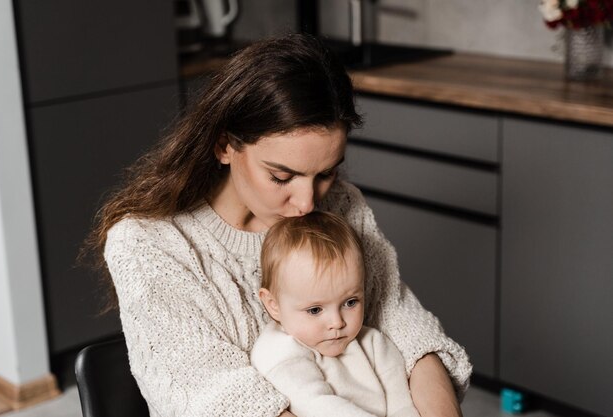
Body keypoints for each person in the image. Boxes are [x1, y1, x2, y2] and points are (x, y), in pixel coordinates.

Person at [85, 33, 472, 417]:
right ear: (224, 147)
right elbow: (216, 399)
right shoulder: (148, 244)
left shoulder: (342, 204)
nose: (308, 203)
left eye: (325, 174)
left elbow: (406, 328)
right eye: (282, 177)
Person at [252, 211, 420, 417]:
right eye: (315, 310)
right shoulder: (278, 349)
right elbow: (315, 404)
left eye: (350, 302)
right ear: (273, 304)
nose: (337, 322)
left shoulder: (374, 343)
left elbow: (402, 404)